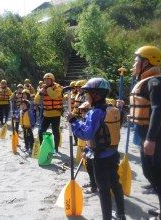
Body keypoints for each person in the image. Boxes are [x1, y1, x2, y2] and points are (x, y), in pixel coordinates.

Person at [67, 77, 125, 220]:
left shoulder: (95, 112)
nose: (86, 96)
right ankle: (121, 214)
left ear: (96, 95)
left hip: (100, 158)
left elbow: (86, 134)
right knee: (115, 184)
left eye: (88, 94)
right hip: (113, 154)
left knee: (104, 189)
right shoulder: (112, 109)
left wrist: (73, 121)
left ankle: (106, 217)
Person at [129, 46, 161, 219]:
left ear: (146, 62)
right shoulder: (148, 81)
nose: (134, 64)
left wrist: (150, 138)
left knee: (160, 177)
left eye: (136, 60)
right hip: (145, 136)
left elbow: (156, 109)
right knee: (149, 173)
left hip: (154, 137)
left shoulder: (156, 82)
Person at [34, 73, 63, 153]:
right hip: (46, 114)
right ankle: (42, 147)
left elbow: (53, 96)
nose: (46, 81)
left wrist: (47, 89)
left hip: (56, 114)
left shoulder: (58, 87)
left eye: (48, 79)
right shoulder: (42, 88)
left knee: (55, 132)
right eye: (45, 80)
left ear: (52, 80)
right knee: (41, 132)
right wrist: (40, 92)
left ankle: (56, 149)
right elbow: (36, 101)